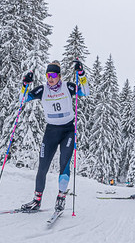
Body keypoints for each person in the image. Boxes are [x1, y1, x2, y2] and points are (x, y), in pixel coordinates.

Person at [19, 60, 89, 212]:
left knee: (64, 164)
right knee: (42, 166)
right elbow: (23, 99)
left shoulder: (68, 87)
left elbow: (85, 92)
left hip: (68, 131)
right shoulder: (43, 90)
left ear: (59, 76)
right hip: (51, 131)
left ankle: (61, 198)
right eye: (47, 75)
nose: (50, 78)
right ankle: (36, 201)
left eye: (53, 75)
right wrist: (25, 84)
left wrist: (81, 74)